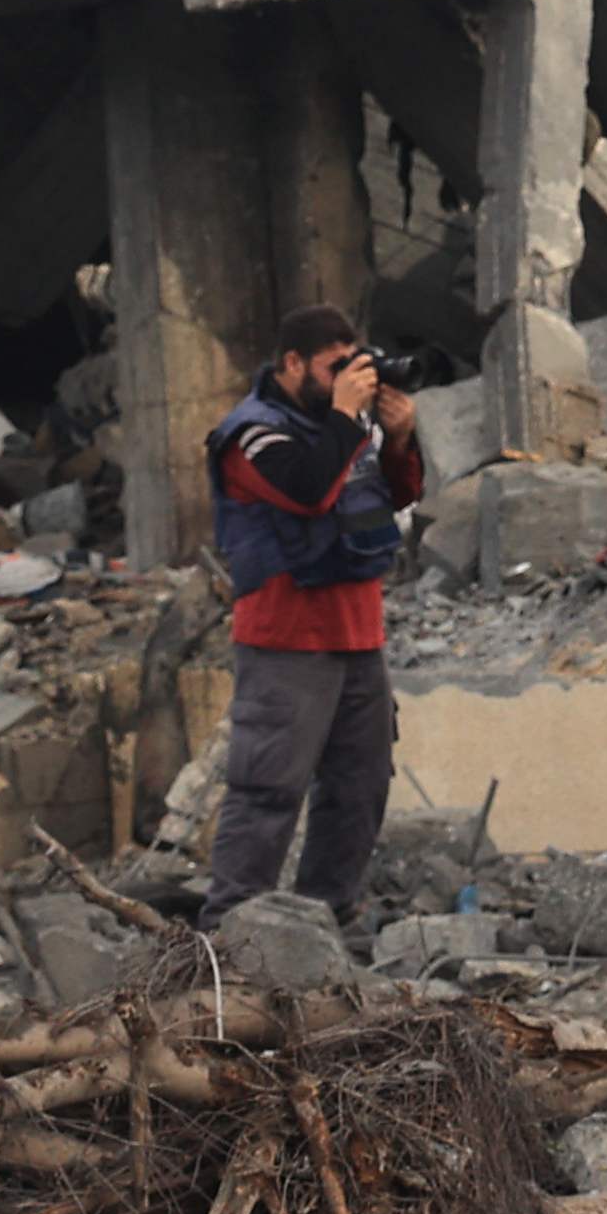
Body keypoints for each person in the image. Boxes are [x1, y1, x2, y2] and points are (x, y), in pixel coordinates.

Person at [205, 305, 425, 918]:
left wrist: (401, 437)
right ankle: (230, 936)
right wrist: (346, 417)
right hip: (285, 641)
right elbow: (307, 492)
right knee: (268, 789)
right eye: (335, 369)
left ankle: (325, 926)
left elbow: (399, 494)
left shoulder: (348, 425)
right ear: (292, 363)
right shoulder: (250, 434)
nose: (349, 381)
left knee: (360, 788)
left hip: (359, 635)